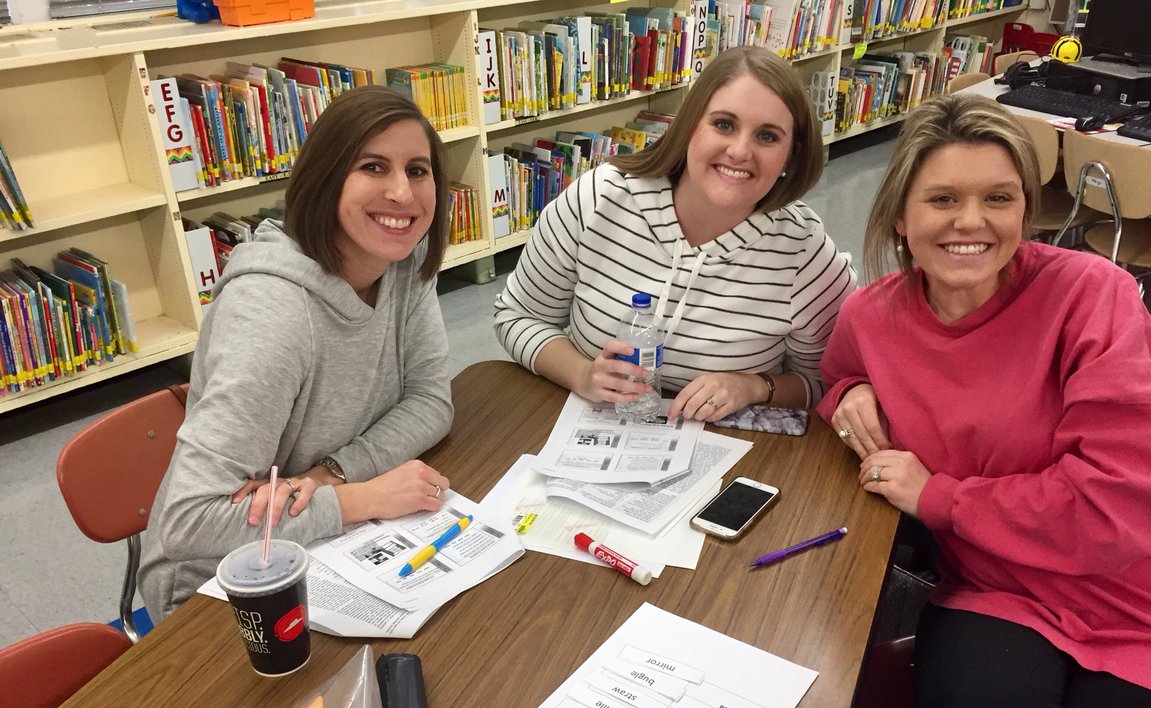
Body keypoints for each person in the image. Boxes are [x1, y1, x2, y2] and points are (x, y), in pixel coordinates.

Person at [817, 92, 1151, 708]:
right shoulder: (872, 316)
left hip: (1145, 609)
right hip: (996, 594)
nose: (973, 222)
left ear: (1027, 210)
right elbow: (842, 370)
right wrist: (846, 393)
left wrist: (940, 498)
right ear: (898, 219)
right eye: (943, 199)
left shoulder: (1089, 295)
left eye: (999, 198)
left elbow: (1124, 504)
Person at [138, 86, 455, 623]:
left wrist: (331, 474)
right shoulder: (274, 312)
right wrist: (364, 498)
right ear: (326, 178)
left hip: (321, 534)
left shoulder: (402, 258)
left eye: (418, 170)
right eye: (374, 167)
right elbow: (187, 523)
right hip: (216, 587)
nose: (403, 193)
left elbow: (430, 401)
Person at [493, 46, 855, 421]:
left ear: (790, 157)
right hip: (590, 431)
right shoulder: (600, 197)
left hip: (730, 453)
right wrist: (583, 374)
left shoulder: (805, 254)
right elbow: (517, 315)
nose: (740, 151)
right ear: (689, 126)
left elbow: (829, 383)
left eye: (767, 136)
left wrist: (754, 386)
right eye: (724, 124)